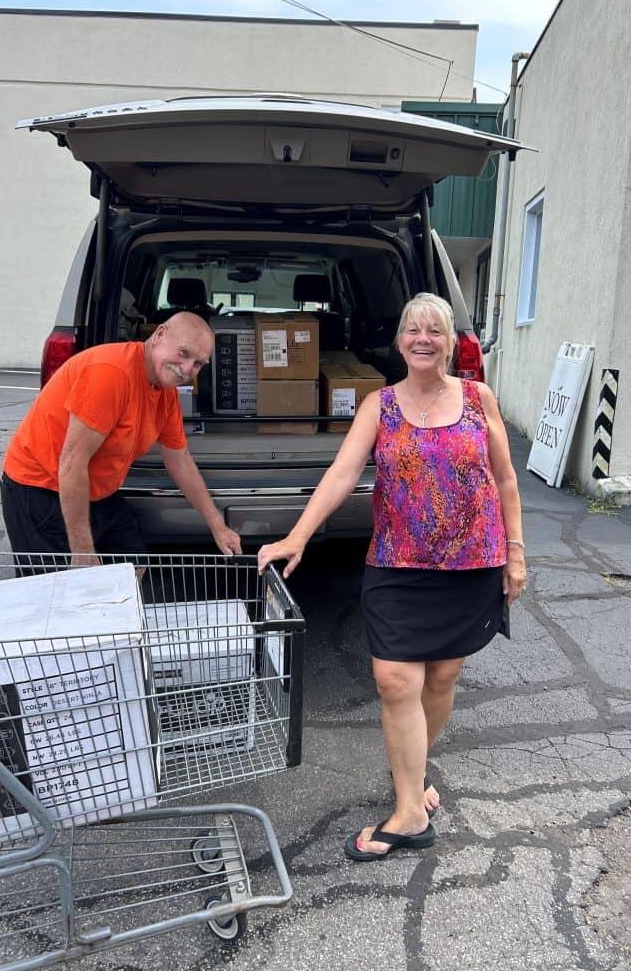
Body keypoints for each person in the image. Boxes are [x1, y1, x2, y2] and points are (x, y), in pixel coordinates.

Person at [258, 292, 526, 861]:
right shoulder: (380, 405)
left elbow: (505, 480)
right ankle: (409, 812)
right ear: (400, 340)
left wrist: (516, 553)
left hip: (471, 563)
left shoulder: (479, 400)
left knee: (442, 677)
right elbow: (342, 472)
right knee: (395, 681)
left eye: (434, 330)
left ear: (451, 342)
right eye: (412, 329)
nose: (422, 339)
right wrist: (298, 535)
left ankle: (413, 776)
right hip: (397, 562)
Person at [1, 312, 242, 565]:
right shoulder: (111, 373)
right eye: (184, 353)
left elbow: (179, 461)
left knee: (133, 561)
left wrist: (218, 526)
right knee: (59, 594)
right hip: (40, 487)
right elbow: (72, 462)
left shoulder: (165, 393)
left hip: (94, 491)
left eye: (198, 364)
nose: (187, 370)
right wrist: (82, 550)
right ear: (160, 334)